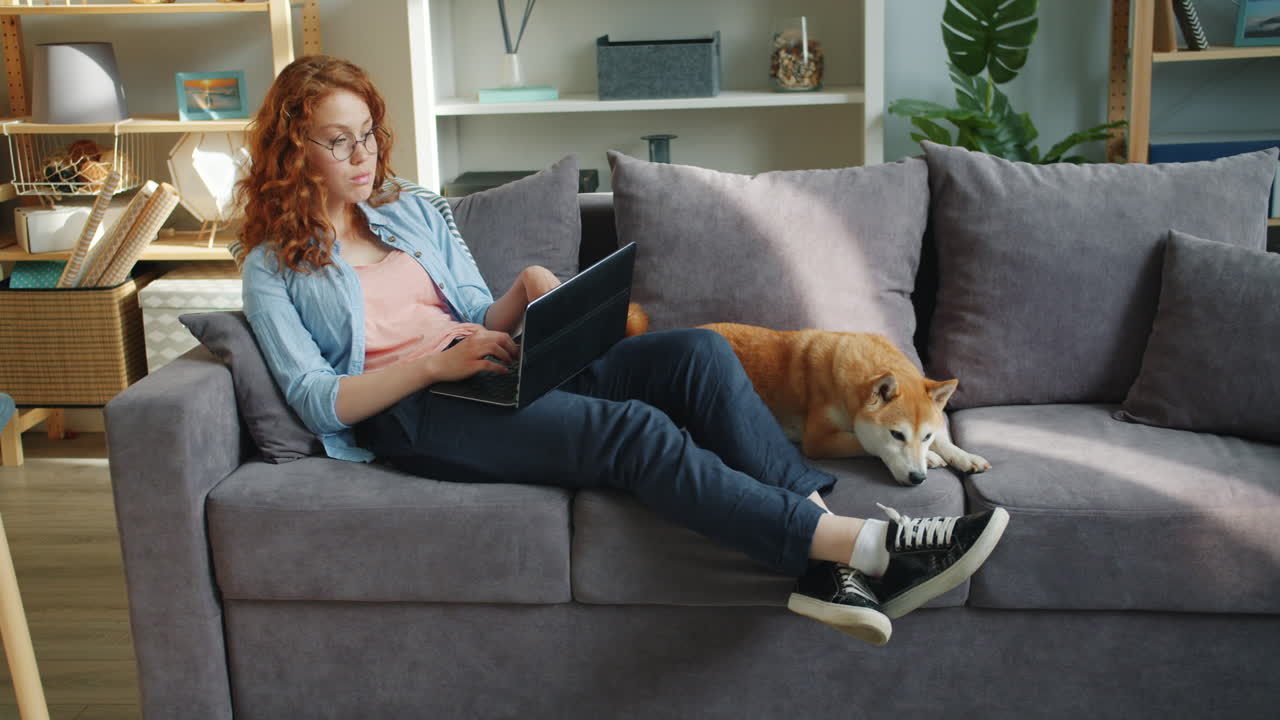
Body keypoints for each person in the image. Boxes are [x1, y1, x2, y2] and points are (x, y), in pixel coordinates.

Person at [237, 56, 1008, 647]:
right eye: (338, 141)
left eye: (367, 133)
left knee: (699, 356)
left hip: (491, 362)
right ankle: (871, 549)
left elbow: (474, 312)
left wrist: (529, 290)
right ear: (292, 149)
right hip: (413, 410)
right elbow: (315, 397)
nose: (363, 154)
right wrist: (434, 366)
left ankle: (826, 564)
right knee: (635, 433)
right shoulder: (272, 267)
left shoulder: (413, 211)